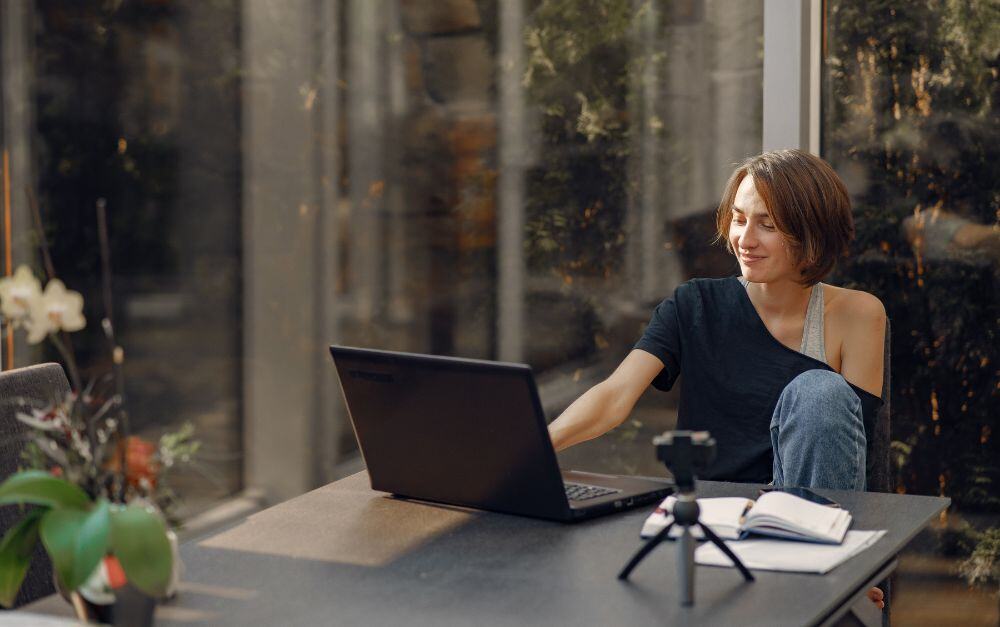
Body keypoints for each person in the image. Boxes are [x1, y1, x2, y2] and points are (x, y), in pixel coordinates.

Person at [547, 149, 887, 609]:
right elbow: (613, 396)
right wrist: (531, 452)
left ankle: (828, 582)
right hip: (715, 524)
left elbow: (855, 456)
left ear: (811, 233)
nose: (746, 238)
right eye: (739, 219)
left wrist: (865, 563)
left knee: (820, 391)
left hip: (803, 530)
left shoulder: (858, 314)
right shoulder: (695, 306)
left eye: (768, 224)